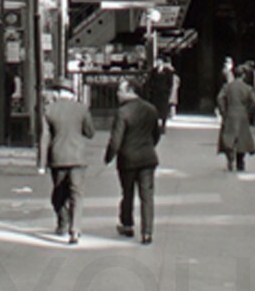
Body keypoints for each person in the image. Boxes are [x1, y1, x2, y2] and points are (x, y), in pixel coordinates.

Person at [105, 77, 161, 244]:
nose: (117, 93)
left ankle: (127, 224)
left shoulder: (122, 112)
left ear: (130, 91)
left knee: (127, 192)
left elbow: (116, 139)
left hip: (127, 159)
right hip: (147, 158)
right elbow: (156, 134)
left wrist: (109, 156)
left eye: (120, 90)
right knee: (147, 196)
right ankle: (147, 232)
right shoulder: (151, 109)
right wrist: (148, 146)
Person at [39, 79, 94, 244]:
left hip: (58, 158)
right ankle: (75, 230)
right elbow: (90, 132)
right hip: (78, 158)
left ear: (58, 92)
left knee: (59, 194)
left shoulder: (49, 110)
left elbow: (44, 138)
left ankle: (63, 222)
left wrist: (42, 164)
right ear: (72, 92)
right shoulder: (82, 109)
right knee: (77, 194)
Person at [216, 65, 255, 171]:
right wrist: (249, 112)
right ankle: (240, 162)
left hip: (230, 113)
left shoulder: (228, 87)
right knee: (242, 139)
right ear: (243, 75)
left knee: (229, 138)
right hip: (242, 114)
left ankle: (230, 159)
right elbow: (254, 102)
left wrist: (223, 111)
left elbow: (220, 98)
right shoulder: (247, 88)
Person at [145, 58, 177, 134]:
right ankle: (155, 127)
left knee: (163, 110)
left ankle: (163, 126)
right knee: (155, 110)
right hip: (155, 94)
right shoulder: (154, 71)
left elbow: (170, 83)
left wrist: (167, 91)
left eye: (159, 61)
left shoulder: (167, 72)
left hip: (163, 94)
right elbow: (150, 81)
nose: (158, 63)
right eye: (157, 61)